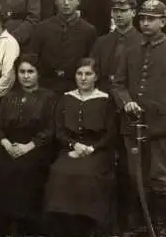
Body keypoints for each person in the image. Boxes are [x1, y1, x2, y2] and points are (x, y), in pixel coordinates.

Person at [112, 0, 166, 236]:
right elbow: (118, 84)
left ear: (163, 22)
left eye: (151, 19)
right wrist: (126, 102)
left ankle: (160, 225)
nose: (145, 23)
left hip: (161, 125)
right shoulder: (130, 50)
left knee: (162, 177)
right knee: (136, 175)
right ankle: (139, 224)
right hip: (133, 125)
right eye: (142, 18)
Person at [0, 53, 56, 237]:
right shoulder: (9, 97)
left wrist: (28, 146)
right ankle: (0, 223)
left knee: (25, 171)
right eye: (22, 71)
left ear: (38, 73)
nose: (26, 75)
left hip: (36, 147)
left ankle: (26, 225)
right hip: (9, 144)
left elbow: (50, 129)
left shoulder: (49, 97)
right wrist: (7, 144)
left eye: (30, 71)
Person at [89, 0, 143, 234]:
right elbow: (92, 74)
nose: (119, 15)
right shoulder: (102, 42)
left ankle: (129, 218)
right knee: (103, 162)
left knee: (130, 167)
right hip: (105, 109)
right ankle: (102, 217)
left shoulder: (142, 41)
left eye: (124, 11)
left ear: (134, 12)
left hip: (131, 110)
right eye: (116, 11)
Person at [45, 58, 117, 237]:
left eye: (88, 74)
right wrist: (73, 144)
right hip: (71, 148)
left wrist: (92, 148)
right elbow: (59, 130)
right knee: (59, 172)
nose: (83, 78)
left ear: (96, 77)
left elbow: (110, 133)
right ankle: (64, 227)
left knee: (89, 175)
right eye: (79, 74)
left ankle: (88, 226)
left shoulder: (106, 100)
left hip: (98, 151)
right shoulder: (67, 98)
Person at [29, 0, 97, 96]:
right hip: (46, 88)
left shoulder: (88, 31)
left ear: (78, 0)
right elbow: (34, 61)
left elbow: (90, 64)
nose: (66, 3)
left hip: (76, 89)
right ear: (55, 1)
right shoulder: (42, 29)